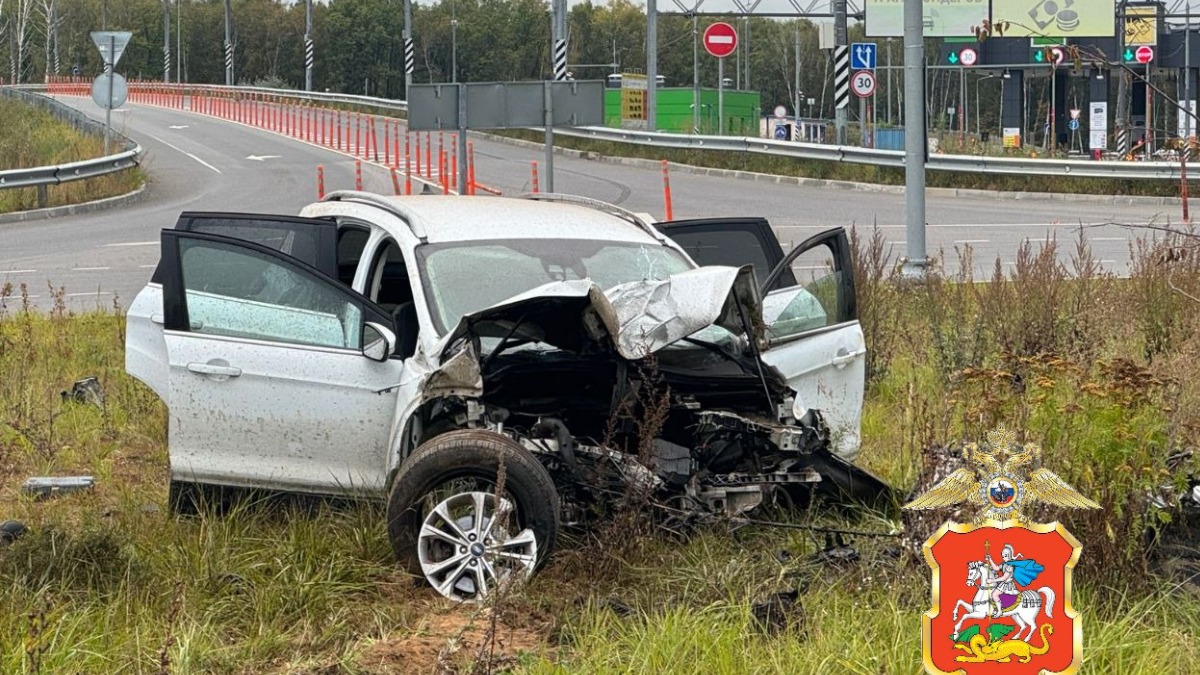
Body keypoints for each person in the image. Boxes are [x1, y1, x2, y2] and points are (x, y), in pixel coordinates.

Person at [987, 544, 1044, 618]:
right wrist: (990, 560)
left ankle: (999, 611)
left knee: (994, 594)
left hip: (1007, 585)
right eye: (1003, 555)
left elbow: (1004, 578)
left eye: (1005, 555)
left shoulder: (1010, 566)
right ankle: (999, 608)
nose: (1003, 557)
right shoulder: (1004, 564)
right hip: (1003, 584)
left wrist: (992, 580)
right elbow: (997, 568)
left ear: (1009, 555)